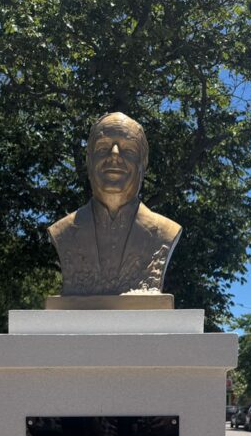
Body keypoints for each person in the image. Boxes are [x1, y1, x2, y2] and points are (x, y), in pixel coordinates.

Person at [48, 112, 182, 297]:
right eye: (103, 147)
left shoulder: (165, 232)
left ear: (143, 163)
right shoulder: (63, 231)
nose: (114, 156)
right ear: (89, 160)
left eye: (128, 150)